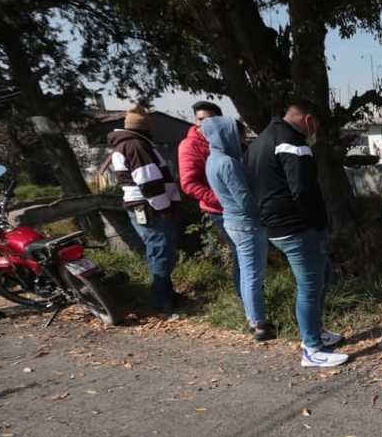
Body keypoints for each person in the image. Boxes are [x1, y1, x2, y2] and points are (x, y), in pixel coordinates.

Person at [247, 99, 347, 367]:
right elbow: (302, 190)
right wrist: (317, 223)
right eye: (317, 125)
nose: (316, 131)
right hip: (297, 227)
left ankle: (316, 332)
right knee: (310, 286)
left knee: (321, 276)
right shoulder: (294, 143)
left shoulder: (260, 141)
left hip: (275, 224)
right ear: (308, 119)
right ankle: (311, 348)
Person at [200, 115, 271, 341]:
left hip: (231, 220)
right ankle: (260, 324)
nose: (241, 138)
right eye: (237, 133)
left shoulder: (213, 159)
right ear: (226, 134)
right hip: (246, 224)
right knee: (253, 275)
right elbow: (245, 199)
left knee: (245, 271)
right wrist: (264, 214)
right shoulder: (228, 163)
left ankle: (253, 318)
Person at [108, 105, 183, 317]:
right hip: (150, 208)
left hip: (143, 206)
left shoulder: (127, 144)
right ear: (144, 127)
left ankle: (165, 294)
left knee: (158, 251)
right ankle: (162, 303)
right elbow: (149, 183)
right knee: (161, 252)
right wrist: (165, 208)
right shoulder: (136, 146)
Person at [178, 100, 240, 299]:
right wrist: (222, 200)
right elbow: (189, 184)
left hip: (238, 206)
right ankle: (247, 302)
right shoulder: (190, 145)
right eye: (200, 120)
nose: (205, 124)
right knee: (241, 254)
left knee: (248, 254)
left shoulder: (228, 139)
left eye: (209, 119)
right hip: (220, 210)